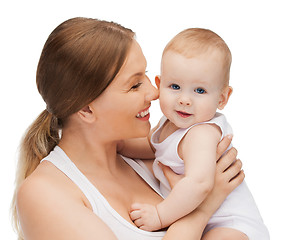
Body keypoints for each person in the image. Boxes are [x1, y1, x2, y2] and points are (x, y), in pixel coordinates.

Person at [11, 18, 245, 240]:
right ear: (87, 109)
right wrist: (203, 208)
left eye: (146, 74)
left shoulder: (150, 159)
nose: (154, 93)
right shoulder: (44, 194)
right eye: (134, 85)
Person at [118, 28, 269, 239]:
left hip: (230, 223)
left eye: (199, 91)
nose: (184, 99)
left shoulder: (202, 134)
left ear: (222, 98)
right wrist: (121, 146)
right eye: (175, 86)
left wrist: (160, 216)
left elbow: (199, 184)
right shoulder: (168, 124)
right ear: (160, 85)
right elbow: (152, 147)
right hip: (201, 218)